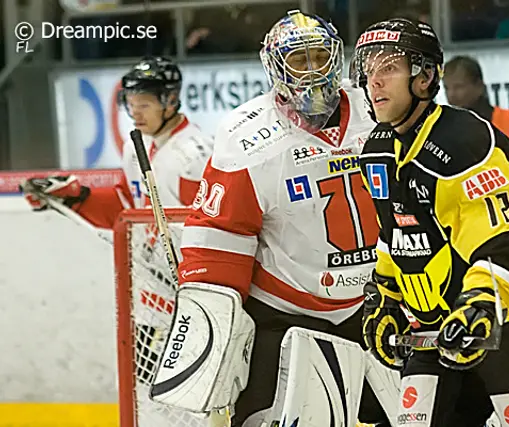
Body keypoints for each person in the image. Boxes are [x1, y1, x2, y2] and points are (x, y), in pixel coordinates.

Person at [351, 18, 509, 427]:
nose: (374, 81)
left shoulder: (468, 141)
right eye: (369, 68)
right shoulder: (375, 149)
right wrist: (386, 294)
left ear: (425, 76)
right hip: (437, 325)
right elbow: (397, 234)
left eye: (388, 67)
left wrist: (479, 302)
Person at [174, 10, 393, 427]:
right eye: (299, 60)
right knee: (265, 419)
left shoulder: (377, 111)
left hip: (379, 302)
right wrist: (212, 316)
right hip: (286, 310)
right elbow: (220, 233)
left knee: (421, 412)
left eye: (319, 57)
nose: (312, 72)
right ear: (276, 68)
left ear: (338, 58)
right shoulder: (246, 135)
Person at [20, 56, 214, 382]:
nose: (135, 112)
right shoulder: (136, 146)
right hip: (155, 292)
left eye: (145, 104)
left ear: (169, 100)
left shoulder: (192, 157)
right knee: (148, 384)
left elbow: (216, 226)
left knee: (194, 385)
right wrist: (77, 196)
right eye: (131, 103)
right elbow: (127, 207)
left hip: (195, 293)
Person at [443, 55, 509, 159]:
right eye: (446, 88)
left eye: (459, 87)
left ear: (479, 86)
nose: (451, 94)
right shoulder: (443, 130)